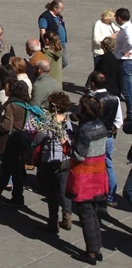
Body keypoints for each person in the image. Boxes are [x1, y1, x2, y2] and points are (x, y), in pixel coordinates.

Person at [66, 95, 111, 264]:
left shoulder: (85, 129)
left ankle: (90, 252)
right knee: (93, 212)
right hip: (98, 173)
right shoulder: (101, 125)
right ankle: (97, 248)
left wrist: (68, 142)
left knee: (85, 214)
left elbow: (79, 155)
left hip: (84, 177)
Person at [34, 91, 73, 235]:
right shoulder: (67, 120)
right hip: (66, 158)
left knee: (52, 191)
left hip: (51, 159)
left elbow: (38, 138)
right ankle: (67, 217)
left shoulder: (48, 121)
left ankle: (53, 222)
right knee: (64, 190)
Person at [0, 79, 32, 205]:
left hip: (11, 140)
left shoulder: (11, 105)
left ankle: (18, 198)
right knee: (7, 167)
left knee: (14, 170)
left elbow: (7, 126)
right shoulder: (26, 104)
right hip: (22, 139)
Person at [87, 71, 122, 206]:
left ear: (93, 84)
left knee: (92, 164)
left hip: (94, 138)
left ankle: (93, 194)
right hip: (108, 136)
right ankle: (111, 196)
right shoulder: (115, 98)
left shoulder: (92, 99)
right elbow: (118, 122)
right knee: (108, 164)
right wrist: (110, 130)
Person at [38, 0, 67, 68]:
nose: (62, 10)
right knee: (59, 62)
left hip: (61, 43)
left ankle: (55, 73)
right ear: (55, 8)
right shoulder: (45, 17)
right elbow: (42, 31)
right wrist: (46, 43)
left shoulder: (59, 17)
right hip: (52, 44)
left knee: (63, 62)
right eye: (61, 8)